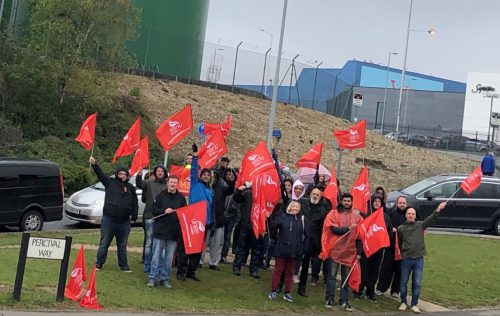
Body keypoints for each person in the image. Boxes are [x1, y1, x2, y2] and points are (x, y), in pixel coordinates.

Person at [89, 156, 138, 272]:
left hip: (124, 222)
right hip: (109, 220)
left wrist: (134, 215)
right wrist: (94, 165)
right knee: (104, 243)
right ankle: (99, 264)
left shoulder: (131, 188)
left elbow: (134, 202)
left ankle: (124, 266)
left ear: (127, 175)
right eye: (120, 174)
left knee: (122, 245)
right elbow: (100, 175)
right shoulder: (110, 183)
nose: (122, 176)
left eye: (124, 174)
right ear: (117, 174)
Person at [397, 202, 447, 314]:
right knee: (403, 281)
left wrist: (438, 209)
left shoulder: (420, 225)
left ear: (415, 215)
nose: (410, 215)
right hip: (406, 259)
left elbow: (431, 218)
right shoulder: (401, 228)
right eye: (409, 213)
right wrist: (404, 253)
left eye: (412, 214)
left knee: (417, 282)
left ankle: (414, 304)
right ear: (406, 215)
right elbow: (399, 243)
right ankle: (403, 302)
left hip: (419, 259)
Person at [176, 143, 214, 282]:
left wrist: (211, 222)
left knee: (198, 249)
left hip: (204, 223)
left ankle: (192, 271)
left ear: (210, 177)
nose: (205, 176)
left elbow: (210, 208)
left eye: (207, 175)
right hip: (192, 220)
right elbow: (193, 171)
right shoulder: (195, 185)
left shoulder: (211, 191)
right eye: (203, 174)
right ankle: (181, 271)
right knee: (185, 247)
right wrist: (196, 156)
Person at [322, 193, 363, 312]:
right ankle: (329, 298)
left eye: (348, 201)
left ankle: (344, 300)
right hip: (336, 250)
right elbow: (333, 229)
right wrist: (348, 228)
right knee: (332, 276)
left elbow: (360, 237)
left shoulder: (357, 218)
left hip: (350, 252)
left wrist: (359, 253)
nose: (346, 203)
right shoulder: (333, 213)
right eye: (344, 200)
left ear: (352, 202)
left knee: (346, 277)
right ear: (341, 201)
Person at [147, 175, 186, 288]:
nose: (173, 184)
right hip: (160, 231)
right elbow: (154, 210)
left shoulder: (181, 197)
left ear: (177, 184)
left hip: (173, 232)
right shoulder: (160, 196)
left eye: (175, 182)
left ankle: (164, 279)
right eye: (171, 182)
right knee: (156, 256)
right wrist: (164, 210)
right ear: (167, 183)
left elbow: (184, 213)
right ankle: (152, 278)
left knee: (169, 259)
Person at [268, 200, 309, 303]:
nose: (295, 208)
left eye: (297, 207)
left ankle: (287, 292)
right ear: (289, 207)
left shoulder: (302, 220)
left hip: (294, 250)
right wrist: (269, 217)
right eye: (293, 206)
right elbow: (273, 226)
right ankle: (273, 291)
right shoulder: (282, 217)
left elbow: (307, 234)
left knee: (290, 272)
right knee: (278, 271)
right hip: (281, 249)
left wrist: (301, 248)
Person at [201, 167, 234, 270]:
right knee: (203, 243)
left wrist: (232, 182)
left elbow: (229, 190)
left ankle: (213, 263)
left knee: (216, 243)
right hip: (206, 218)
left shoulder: (221, 187)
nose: (213, 178)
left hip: (218, 219)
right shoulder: (204, 187)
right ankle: (199, 261)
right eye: (212, 176)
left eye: (215, 176)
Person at [136, 165, 168, 273]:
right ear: (155, 172)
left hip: (162, 217)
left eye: (161, 171)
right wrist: (139, 174)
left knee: (160, 243)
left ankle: (158, 264)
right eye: (158, 171)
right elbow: (139, 184)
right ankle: (147, 265)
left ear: (164, 173)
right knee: (149, 242)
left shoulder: (167, 185)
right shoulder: (150, 182)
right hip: (150, 216)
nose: (160, 173)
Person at [297, 188, 328, 297]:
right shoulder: (302, 203)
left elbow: (322, 229)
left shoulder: (322, 210)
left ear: (320, 197)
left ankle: (302, 288)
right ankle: (282, 284)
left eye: (317, 195)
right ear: (310, 194)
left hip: (311, 241)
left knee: (305, 266)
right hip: (298, 238)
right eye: (313, 194)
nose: (315, 196)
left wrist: (318, 245)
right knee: (291, 262)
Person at [376, 195, 408, 297]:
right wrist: (392, 230)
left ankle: (395, 291)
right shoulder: (391, 214)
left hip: (403, 248)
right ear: (397, 203)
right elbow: (385, 226)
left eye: (404, 203)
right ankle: (381, 288)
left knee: (400, 270)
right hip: (390, 246)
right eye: (400, 203)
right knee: (386, 268)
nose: (402, 205)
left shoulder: (409, 215)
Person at [232, 183, 262, 278]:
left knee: (256, 249)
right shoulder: (247, 193)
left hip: (257, 226)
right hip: (246, 224)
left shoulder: (263, 195)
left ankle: (254, 269)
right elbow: (236, 198)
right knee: (241, 247)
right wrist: (239, 190)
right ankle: (237, 267)